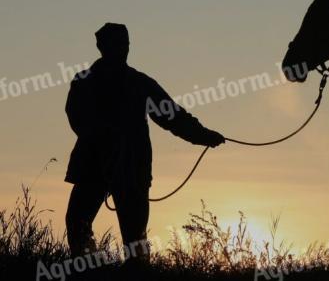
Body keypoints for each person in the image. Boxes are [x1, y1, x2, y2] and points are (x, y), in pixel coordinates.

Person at [64, 23, 225, 261]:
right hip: (94, 163)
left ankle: (134, 272)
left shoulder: (139, 83)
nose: (122, 49)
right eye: (117, 44)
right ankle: (86, 269)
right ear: (101, 46)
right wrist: (103, 136)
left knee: (134, 236)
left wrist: (203, 135)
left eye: (125, 44)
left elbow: (172, 116)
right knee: (78, 222)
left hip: (130, 167)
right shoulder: (85, 82)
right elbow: (76, 116)